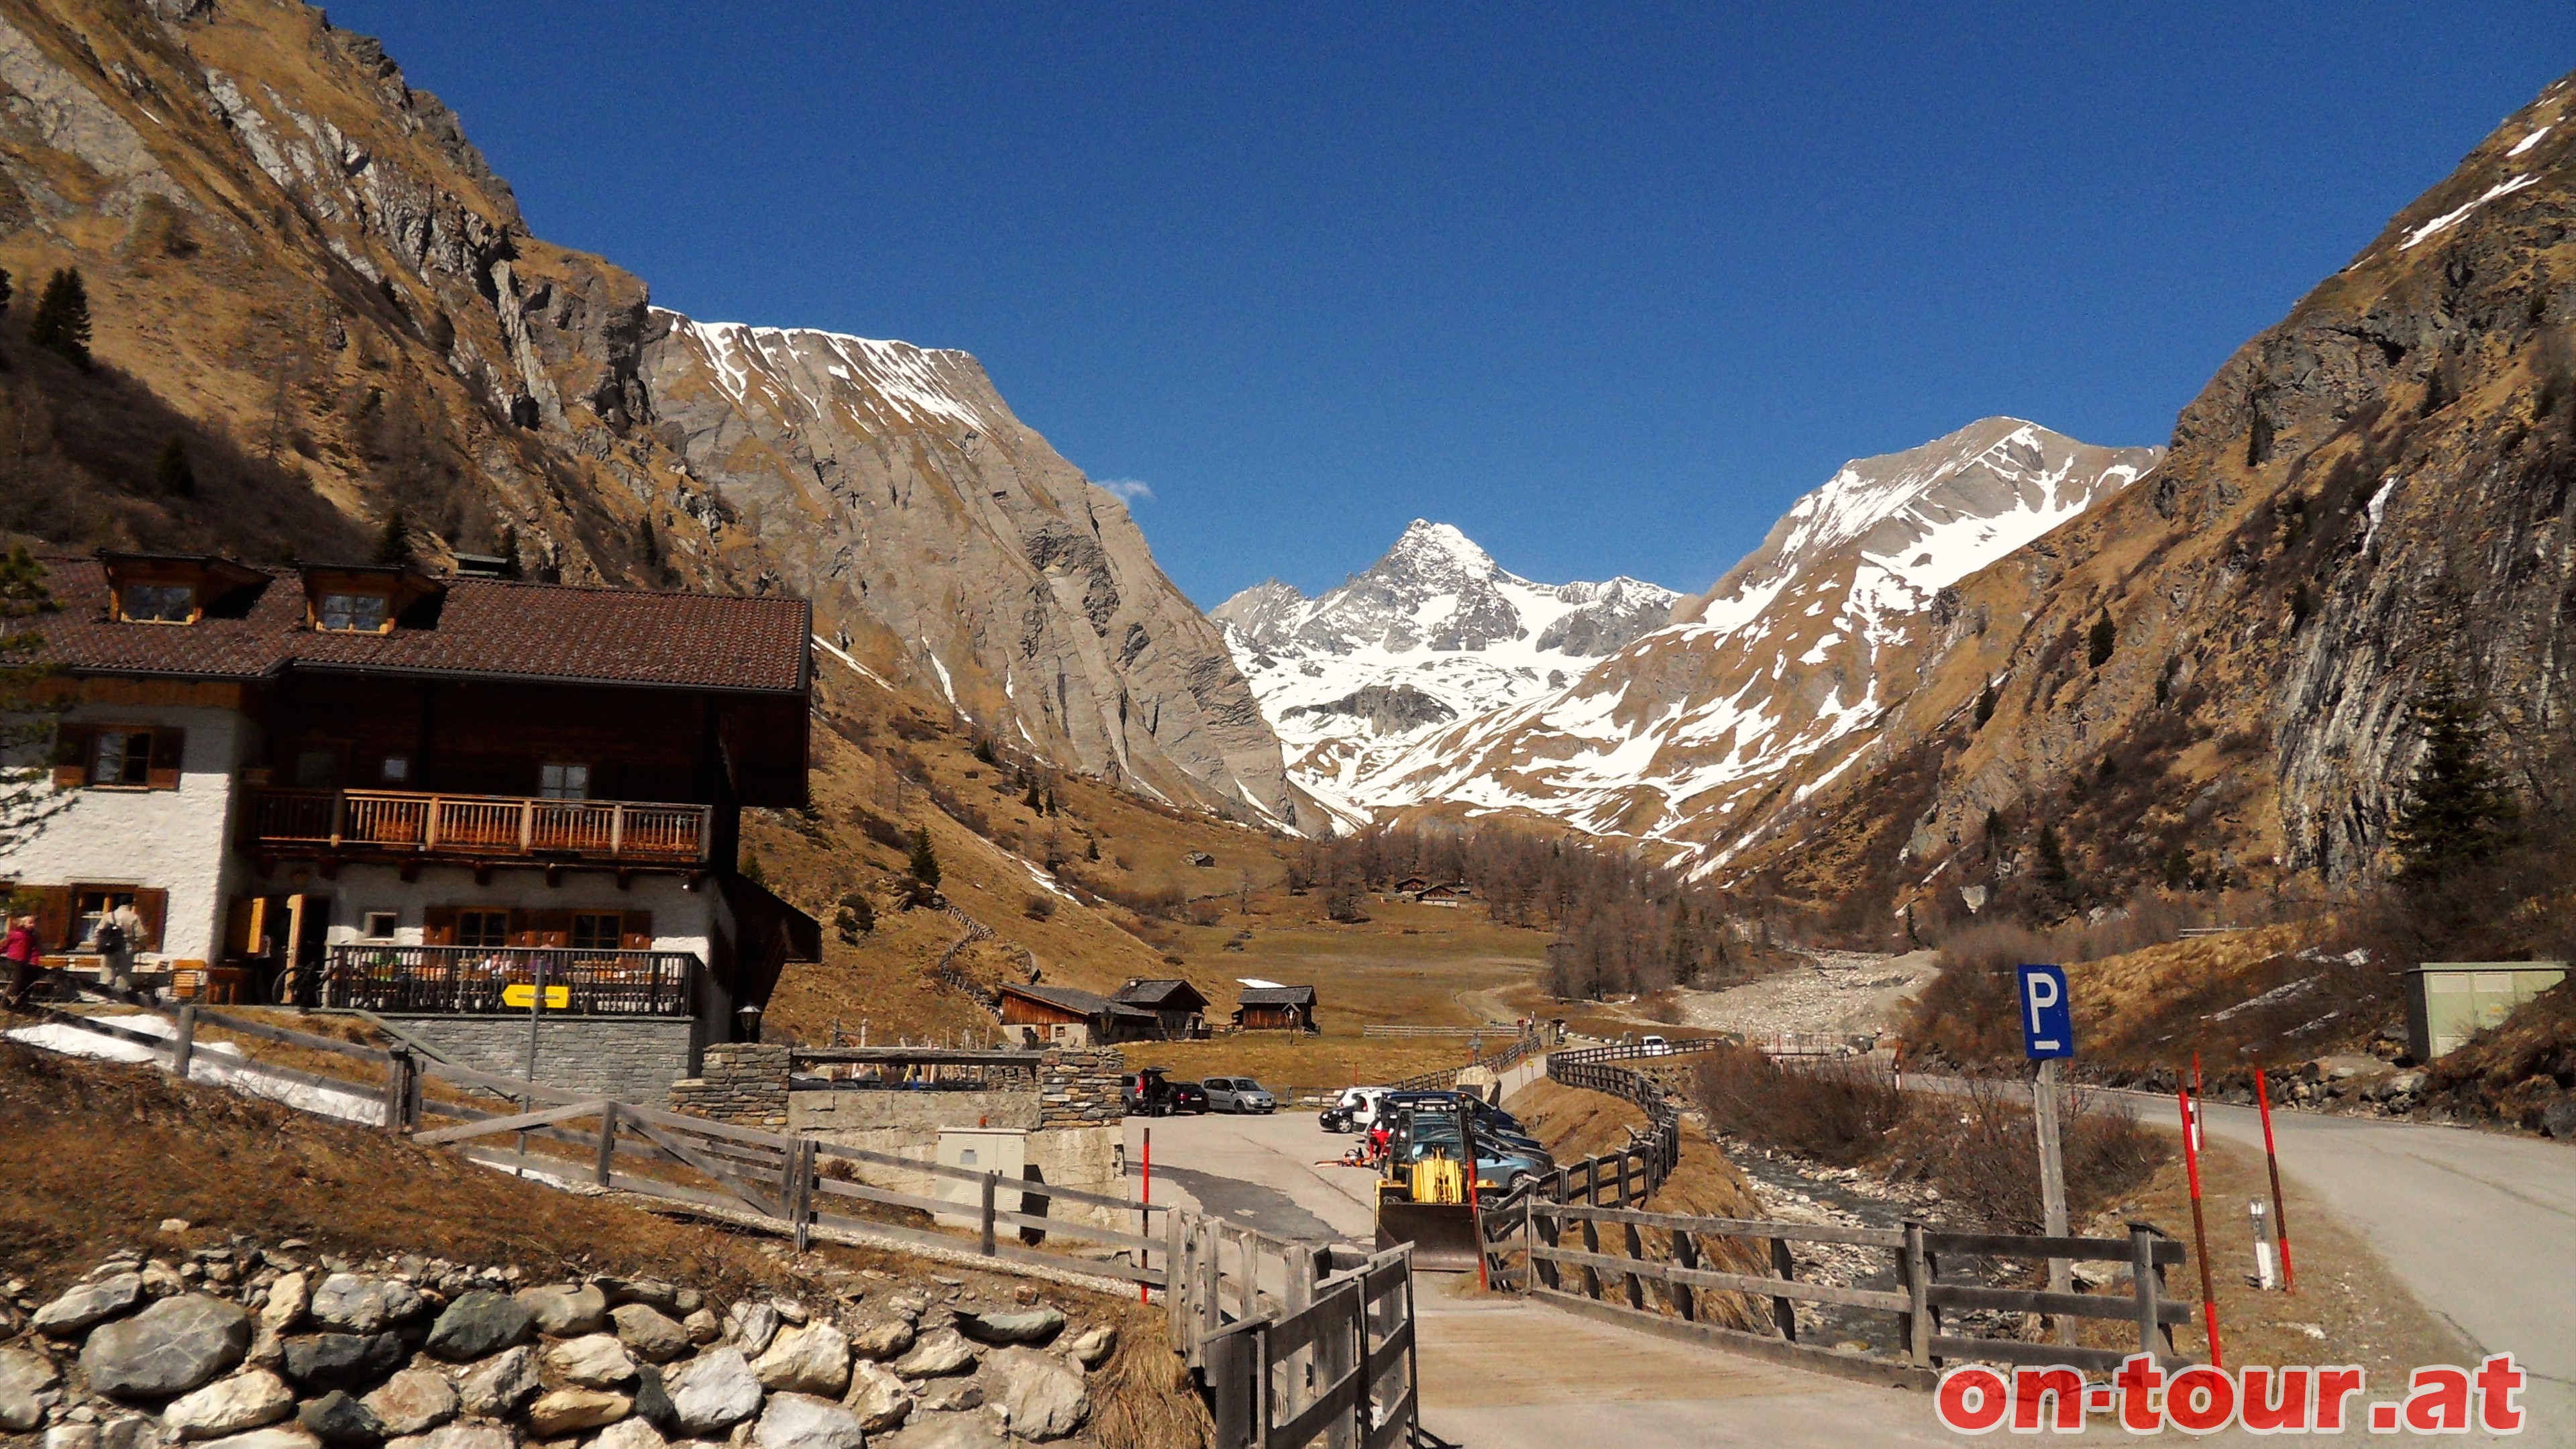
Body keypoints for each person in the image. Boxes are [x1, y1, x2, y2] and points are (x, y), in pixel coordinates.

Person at [99, 900, 144, 999]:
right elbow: (141, 935)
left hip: (109, 948)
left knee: (107, 972)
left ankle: (104, 998)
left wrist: (100, 945)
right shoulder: (133, 917)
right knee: (124, 975)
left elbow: (98, 931)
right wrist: (140, 945)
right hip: (126, 948)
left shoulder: (108, 916)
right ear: (130, 905)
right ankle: (119, 998)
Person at [5, 913, 43, 1010]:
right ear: (23, 924)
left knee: (30, 978)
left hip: (25, 960)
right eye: (30, 923)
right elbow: (6, 945)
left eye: (34, 923)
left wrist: (35, 960)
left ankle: (22, 998)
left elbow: (34, 950)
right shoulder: (16, 934)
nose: (33, 925)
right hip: (15, 959)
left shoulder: (32, 936)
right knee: (19, 978)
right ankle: (11, 996)